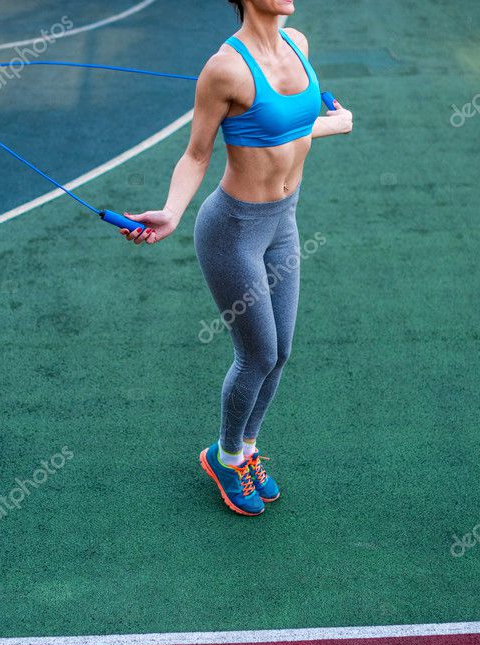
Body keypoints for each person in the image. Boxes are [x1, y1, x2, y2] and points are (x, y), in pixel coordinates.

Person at [120, 0, 353, 515]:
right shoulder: (225, 69)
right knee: (258, 355)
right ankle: (224, 457)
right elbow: (196, 153)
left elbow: (285, 126)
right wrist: (172, 212)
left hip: (283, 223)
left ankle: (247, 450)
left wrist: (332, 122)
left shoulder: (298, 44)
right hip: (233, 231)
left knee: (281, 352)